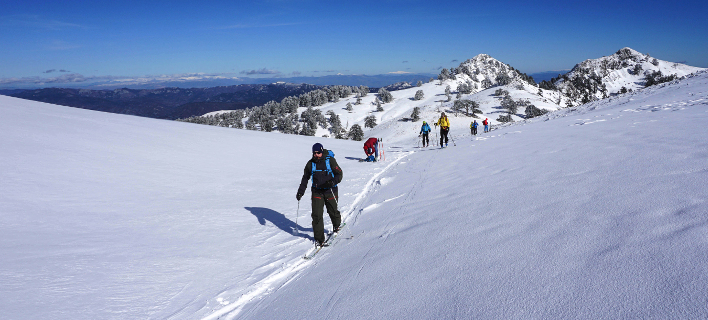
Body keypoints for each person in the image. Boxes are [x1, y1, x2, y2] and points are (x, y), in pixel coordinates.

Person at [296, 143, 343, 246]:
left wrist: (332, 182)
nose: (316, 155)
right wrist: (301, 191)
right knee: (316, 215)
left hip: (330, 190)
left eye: (318, 153)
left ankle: (337, 225)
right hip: (317, 191)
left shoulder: (330, 161)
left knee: (333, 211)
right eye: (315, 153)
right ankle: (319, 239)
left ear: (322, 152)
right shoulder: (310, 164)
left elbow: (339, 174)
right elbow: (305, 178)